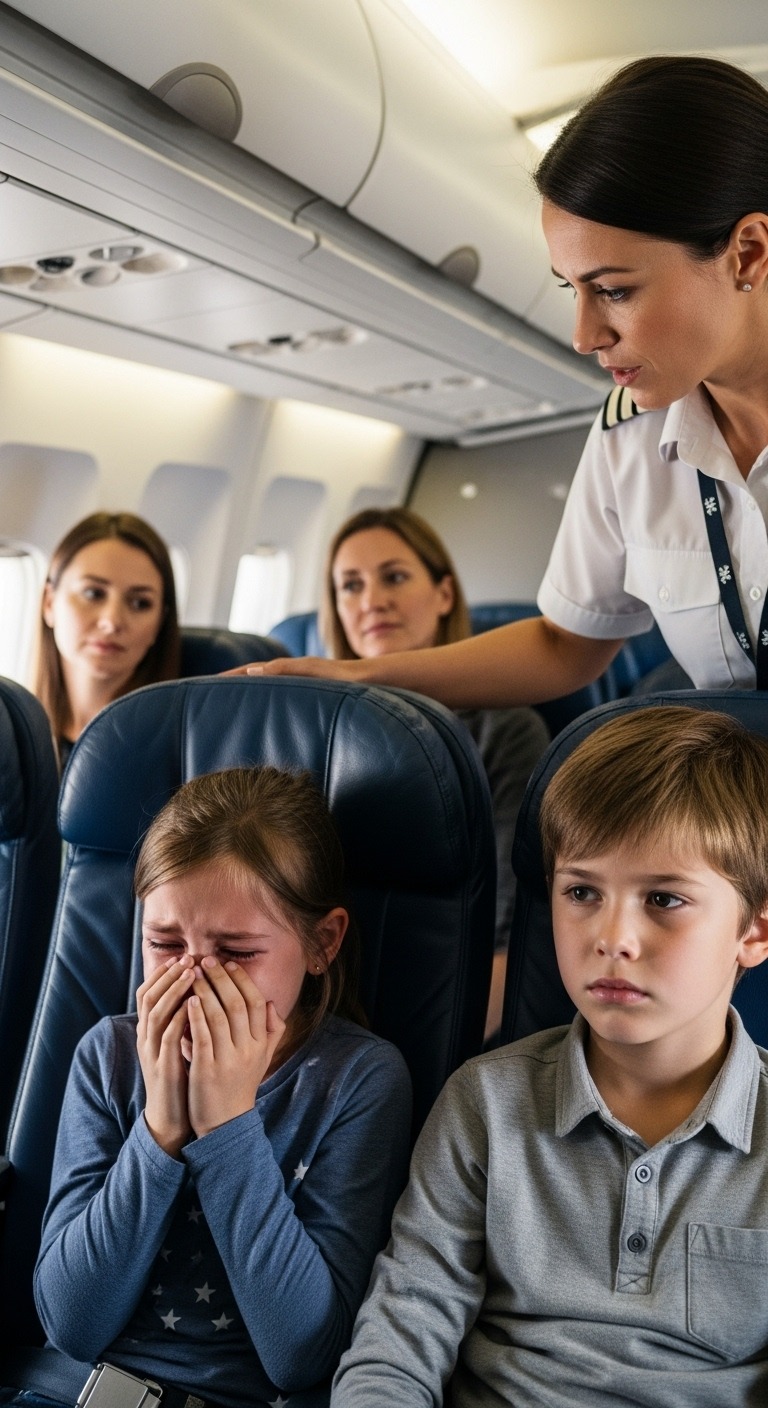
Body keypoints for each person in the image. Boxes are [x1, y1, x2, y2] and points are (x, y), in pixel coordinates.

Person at [241, 56, 768, 708]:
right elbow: (563, 645)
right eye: (571, 289)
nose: (584, 335)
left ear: (747, 252)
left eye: (614, 290)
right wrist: (359, 677)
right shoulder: (629, 440)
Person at [330, 705, 768, 1406]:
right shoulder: (487, 1102)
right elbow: (401, 1333)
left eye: (663, 899)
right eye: (582, 892)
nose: (613, 936)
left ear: (753, 932)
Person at [4, 767, 412, 1408]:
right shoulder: (109, 1057)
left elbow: (301, 1355)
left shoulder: (357, 1082)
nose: (193, 979)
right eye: (165, 943)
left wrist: (227, 1127)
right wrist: (160, 1130)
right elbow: (70, 1326)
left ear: (321, 944)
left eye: (238, 952)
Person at [324, 506, 549, 1038]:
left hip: (459, 1008)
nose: (372, 600)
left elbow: (508, 937)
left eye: (395, 577)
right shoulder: (322, 729)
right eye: (350, 585)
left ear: (444, 594)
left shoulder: (506, 731)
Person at [34, 511, 180, 767]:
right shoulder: (12, 735)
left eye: (139, 603)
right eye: (93, 593)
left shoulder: (182, 749)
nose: (112, 622)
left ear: (160, 622)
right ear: (49, 603)